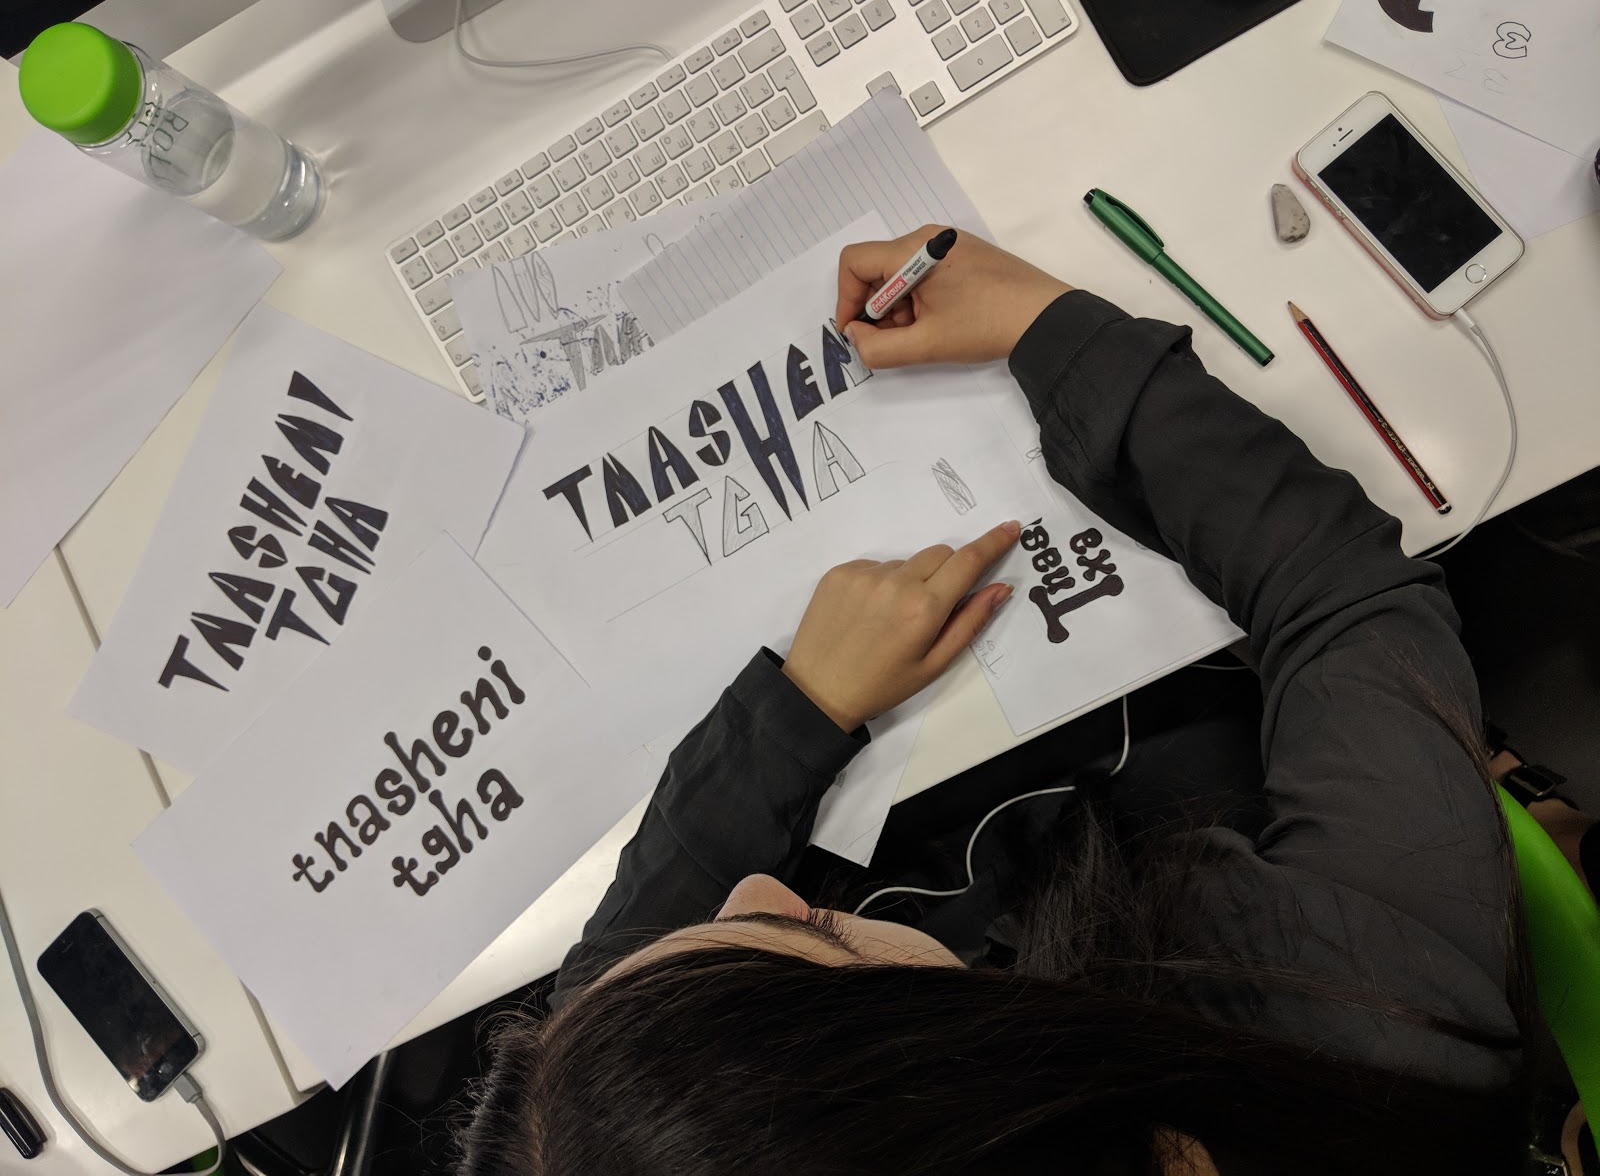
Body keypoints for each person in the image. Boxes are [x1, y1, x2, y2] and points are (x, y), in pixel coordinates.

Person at [458, 229, 1530, 1174]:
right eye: (816, 941)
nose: (746, 888)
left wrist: (798, 710)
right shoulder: (1367, 1027)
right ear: (975, 1079)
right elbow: (1343, 599)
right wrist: (1048, 329)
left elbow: (605, 1009)